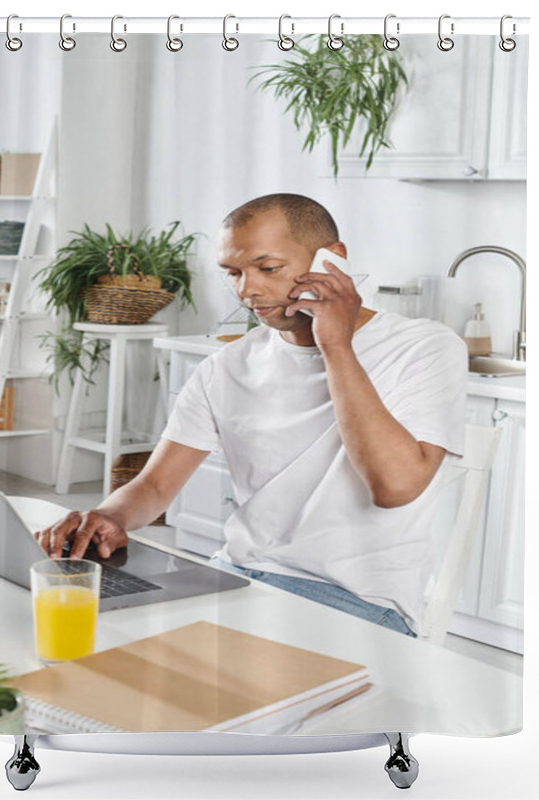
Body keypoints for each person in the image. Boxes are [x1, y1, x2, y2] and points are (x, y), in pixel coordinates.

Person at [35, 193, 467, 637]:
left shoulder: (424, 347)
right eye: (233, 273)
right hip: (234, 576)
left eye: (268, 268)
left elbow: (394, 488)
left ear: (332, 259)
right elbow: (156, 484)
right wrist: (110, 517)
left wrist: (334, 343)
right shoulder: (226, 365)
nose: (247, 290)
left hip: (355, 599)